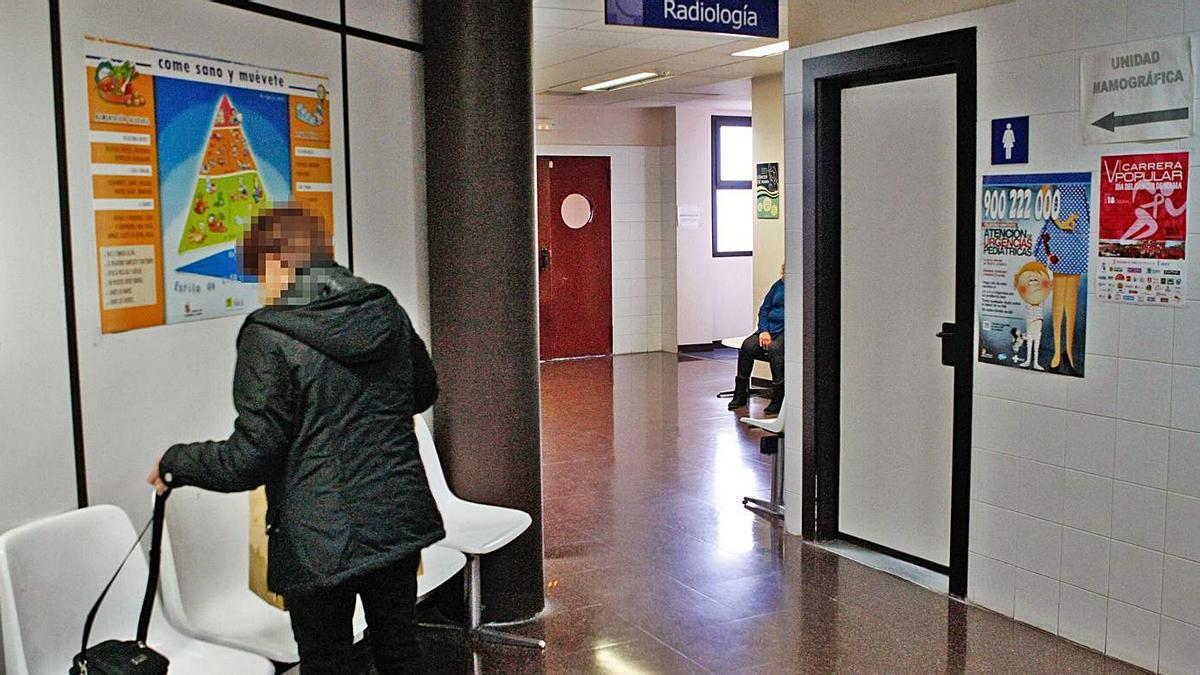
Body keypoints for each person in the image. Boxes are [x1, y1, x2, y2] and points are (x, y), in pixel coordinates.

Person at [147, 205, 443, 674]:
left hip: (319, 540)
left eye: (260, 272)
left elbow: (249, 458)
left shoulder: (269, 335)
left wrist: (175, 461)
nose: (262, 288)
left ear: (279, 263)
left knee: (326, 661)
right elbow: (423, 391)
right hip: (396, 517)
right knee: (400, 649)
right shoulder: (383, 308)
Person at [728, 262, 784, 414]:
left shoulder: (801, 288)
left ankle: (778, 397)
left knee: (774, 349)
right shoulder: (777, 286)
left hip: (786, 332)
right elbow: (764, 309)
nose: (784, 275)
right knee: (748, 346)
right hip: (768, 329)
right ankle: (740, 393)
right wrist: (764, 331)